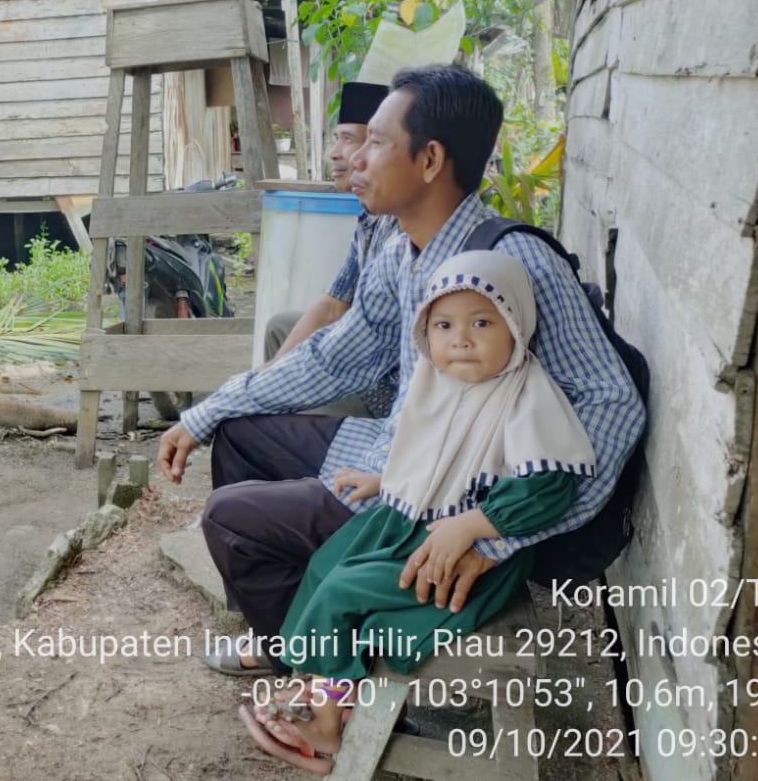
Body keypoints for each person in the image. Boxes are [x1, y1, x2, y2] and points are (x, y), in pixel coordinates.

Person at [163, 65, 643, 676]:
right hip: (400, 454)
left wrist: (495, 537)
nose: (355, 158)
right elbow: (335, 355)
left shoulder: (513, 260)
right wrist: (209, 411)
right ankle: (289, 632)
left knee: (230, 517)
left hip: (450, 498)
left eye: (377, 142)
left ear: (430, 159)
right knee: (239, 433)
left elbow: (613, 401)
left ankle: (320, 656)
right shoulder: (400, 250)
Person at [237, 250, 593, 772]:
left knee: (345, 594)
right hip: (412, 522)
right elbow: (438, 458)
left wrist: (474, 524)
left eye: (482, 322)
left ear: (517, 325)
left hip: (464, 549)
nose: (461, 339)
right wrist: (389, 480)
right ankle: (312, 687)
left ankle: (328, 725)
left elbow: (548, 486)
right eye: (444, 324)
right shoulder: (439, 384)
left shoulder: (526, 396)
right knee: (324, 567)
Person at [255, 82, 397, 425]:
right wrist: (268, 373)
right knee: (280, 327)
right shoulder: (369, 219)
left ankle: (298, 444)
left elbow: (353, 330)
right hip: (359, 357)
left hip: (383, 392)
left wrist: (276, 377)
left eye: (348, 139)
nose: (334, 153)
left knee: (266, 405)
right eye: (336, 139)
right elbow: (334, 302)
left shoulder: (401, 226)